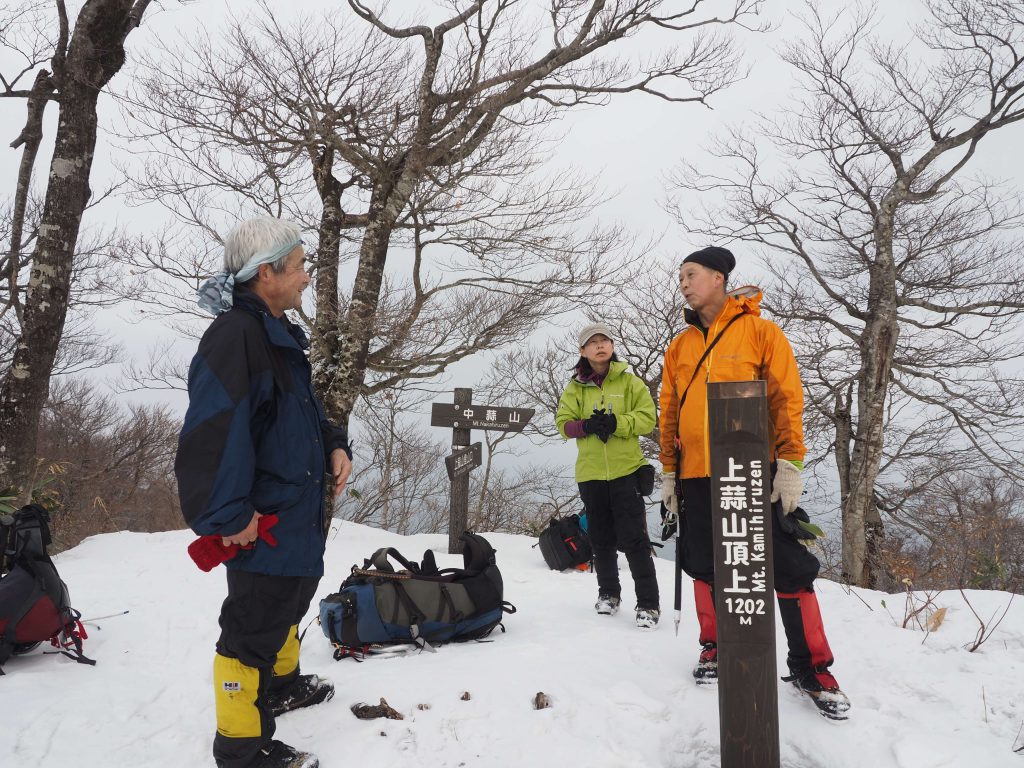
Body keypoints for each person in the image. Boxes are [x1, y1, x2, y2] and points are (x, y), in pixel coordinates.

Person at [176, 217, 353, 768]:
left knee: (287, 602)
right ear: (267, 272)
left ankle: (280, 686)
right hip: (262, 519)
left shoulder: (276, 334)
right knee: (250, 630)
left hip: (293, 511)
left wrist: (334, 444)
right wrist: (228, 514)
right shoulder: (236, 337)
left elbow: (300, 411)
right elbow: (213, 434)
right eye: (299, 265)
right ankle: (241, 748)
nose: (306, 276)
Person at [658, 246, 850, 716]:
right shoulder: (680, 345)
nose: (683, 283)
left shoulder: (761, 332)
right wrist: (668, 471)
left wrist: (790, 463)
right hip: (695, 474)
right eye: (680, 276)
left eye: (692, 274)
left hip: (749, 471)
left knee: (786, 566)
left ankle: (812, 667)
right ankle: (716, 645)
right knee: (704, 564)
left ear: (719, 278)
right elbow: (669, 411)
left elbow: (787, 399)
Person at [556, 321, 661, 628]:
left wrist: (617, 423)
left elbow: (646, 418)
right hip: (590, 474)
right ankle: (608, 595)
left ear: (612, 346)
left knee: (634, 540)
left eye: (605, 340)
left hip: (626, 470)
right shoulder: (575, 388)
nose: (600, 345)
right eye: (593, 341)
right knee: (600, 539)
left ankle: (649, 604)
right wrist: (587, 426)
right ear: (583, 351)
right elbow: (563, 424)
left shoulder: (630, 383)